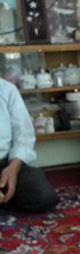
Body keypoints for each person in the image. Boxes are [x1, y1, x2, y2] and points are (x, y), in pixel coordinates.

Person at [0, 78, 58, 212]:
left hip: (6, 163)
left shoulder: (7, 90)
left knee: (44, 196)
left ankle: (5, 197)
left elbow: (24, 135)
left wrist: (13, 168)